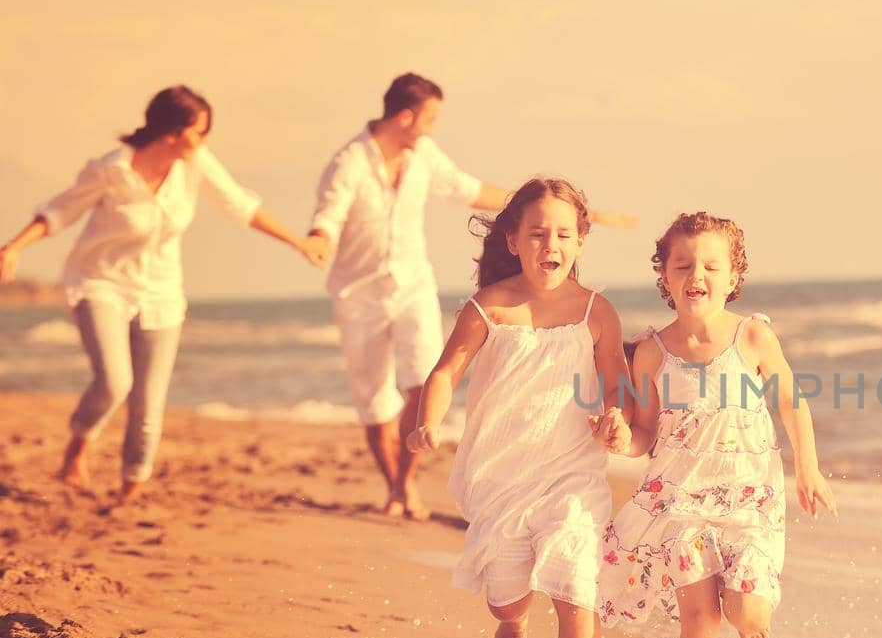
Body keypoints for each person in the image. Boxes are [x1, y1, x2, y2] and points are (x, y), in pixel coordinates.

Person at [0, 85, 320, 500]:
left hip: (162, 293)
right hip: (102, 282)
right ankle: (80, 442)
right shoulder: (111, 169)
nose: (204, 142)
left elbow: (239, 205)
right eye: (199, 132)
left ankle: (131, 486)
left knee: (148, 404)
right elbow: (60, 210)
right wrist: (15, 247)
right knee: (115, 382)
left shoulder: (194, 163)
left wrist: (298, 242)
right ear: (173, 131)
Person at [590, 211, 837, 638]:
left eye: (709, 266)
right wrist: (618, 442)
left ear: (733, 277)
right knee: (701, 622)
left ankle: (743, 602)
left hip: (749, 501)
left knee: (749, 615)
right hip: (680, 503)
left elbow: (791, 402)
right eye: (682, 266)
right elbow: (645, 435)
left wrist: (808, 468)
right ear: (665, 277)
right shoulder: (654, 354)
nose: (695, 276)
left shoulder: (752, 339)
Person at [408, 177, 630, 638]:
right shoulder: (489, 308)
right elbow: (445, 372)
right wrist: (427, 421)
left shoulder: (596, 311)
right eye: (535, 234)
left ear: (580, 242)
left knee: (577, 585)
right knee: (506, 597)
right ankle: (512, 620)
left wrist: (616, 418)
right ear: (512, 241)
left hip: (572, 474)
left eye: (561, 234)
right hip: (501, 476)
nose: (548, 245)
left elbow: (618, 383)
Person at [305, 73, 512, 520]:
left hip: (414, 285)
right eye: (430, 119)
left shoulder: (423, 156)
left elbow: (467, 189)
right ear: (405, 117)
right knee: (375, 399)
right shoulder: (349, 164)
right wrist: (319, 237)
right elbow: (329, 213)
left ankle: (405, 485)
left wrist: (525, 204)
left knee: (424, 380)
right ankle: (393, 487)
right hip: (358, 296)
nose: (432, 129)